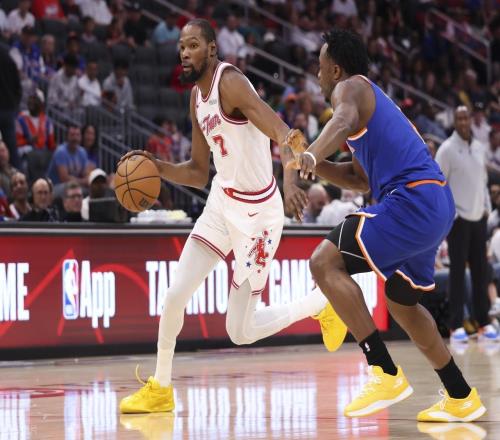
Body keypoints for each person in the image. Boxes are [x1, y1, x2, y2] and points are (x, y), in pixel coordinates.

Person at [119, 19, 344, 414]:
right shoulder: (196, 97)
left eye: (192, 45)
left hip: (259, 218)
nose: (184, 52)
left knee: (239, 331)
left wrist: (289, 180)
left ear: (211, 49)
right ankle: (161, 388)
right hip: (221, 205)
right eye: (181, 46)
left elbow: (284, 133)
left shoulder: (232, 83)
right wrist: (156, 166)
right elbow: (197, 172)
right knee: (174, 295)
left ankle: (318, 304)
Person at [291, 29, 485, 422]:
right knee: (402, 302)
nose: (317, 74)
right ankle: (461, 396)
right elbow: (360, 180)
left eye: (321, 66)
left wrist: (312, 152)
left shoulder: (349, 89)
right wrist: (312, 161)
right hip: (435, 204)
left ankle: (383, 371)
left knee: (324, 262)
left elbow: (341, 119)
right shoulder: (367, 104)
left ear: (336, 69)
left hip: (413, 199)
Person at [435, 106, 498, 342]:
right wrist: (449, 215)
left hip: (479, 218)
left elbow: (483, 181)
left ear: (471, 120)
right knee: (458, 273)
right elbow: (439, 184)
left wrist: (486, 209)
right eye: (459, 118)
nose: (463, 122)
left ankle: (483, 322)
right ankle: (456, 325)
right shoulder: (446, 149)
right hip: (458, 220)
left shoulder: (480, 148)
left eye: (465, 118)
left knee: (481, 272)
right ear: (454, 121)